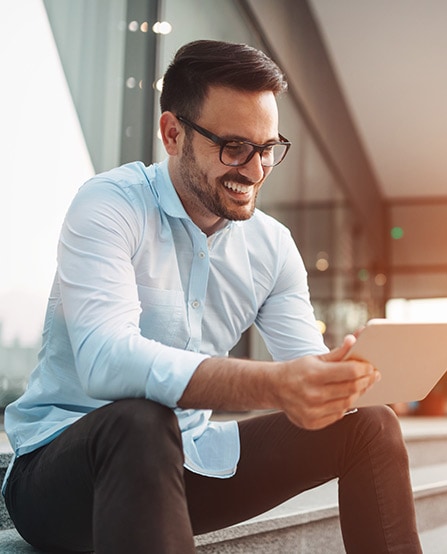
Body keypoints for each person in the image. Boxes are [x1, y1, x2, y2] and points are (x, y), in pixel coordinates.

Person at [2, 39, 422, 553]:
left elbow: (304, 370)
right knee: (141, 418)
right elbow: (105, 361)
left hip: (188, 463)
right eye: (234, 147)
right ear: (173, 133)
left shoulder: (271, 246)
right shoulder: (110, 205)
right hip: (62, 474)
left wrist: (344, 380)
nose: (254, 169)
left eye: (267, 149)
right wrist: (276, 384)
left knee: (370, 425)